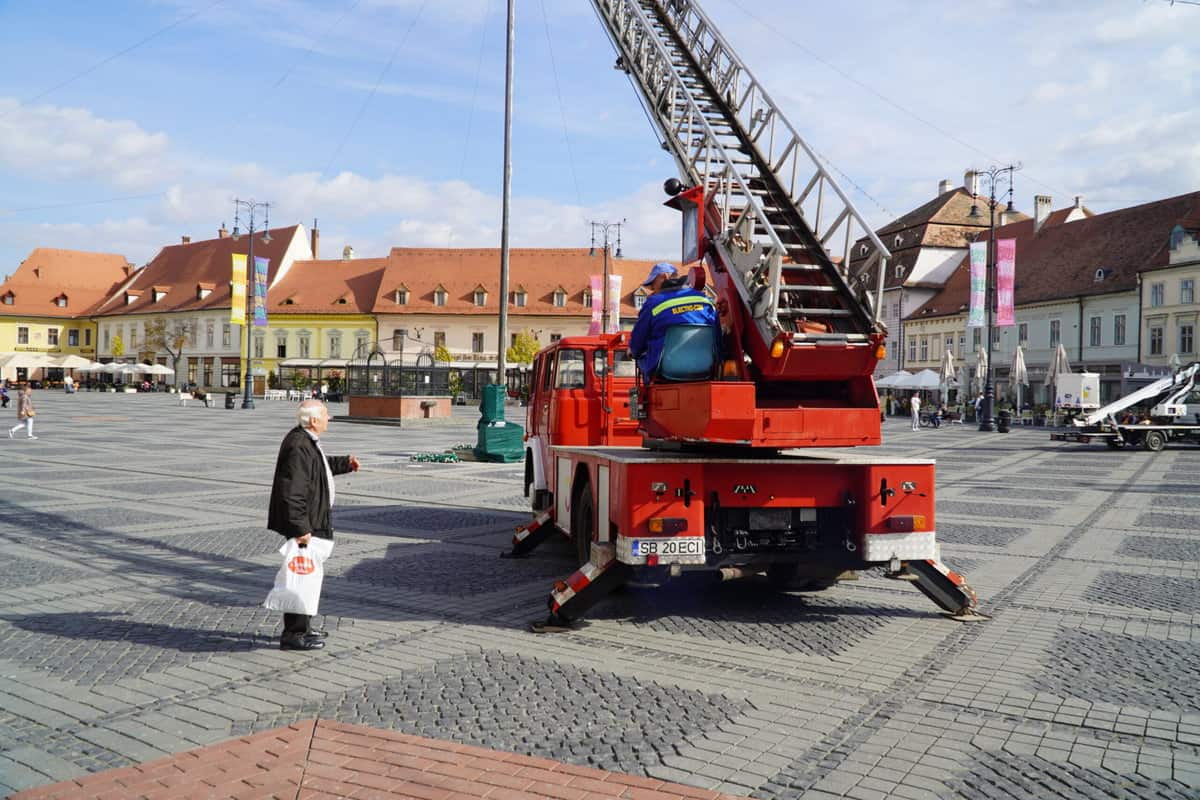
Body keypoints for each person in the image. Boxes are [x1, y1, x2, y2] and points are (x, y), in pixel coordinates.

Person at [267, 399, 360, 651]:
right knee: (301, 576)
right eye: (326, 414)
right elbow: (292, 491)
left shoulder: (305, 441)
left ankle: (304, 628)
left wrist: (344, 463)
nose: (329, 418)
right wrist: (300, 528)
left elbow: (319, 466)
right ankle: (293, 634)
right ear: (314, 420)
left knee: (308, 576)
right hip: (306, 523)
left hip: (312, 519)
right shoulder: (299, 445)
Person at [628, 262, 719, 380]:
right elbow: (718, 338)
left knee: (639, 357)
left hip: (664, 373)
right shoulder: (705, 300)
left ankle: (646, 393)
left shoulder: (653, 303)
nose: (652, 290)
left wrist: (632, 352)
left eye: (652, 285)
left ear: (663, 277)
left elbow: (637, 343)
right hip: (705, 370)